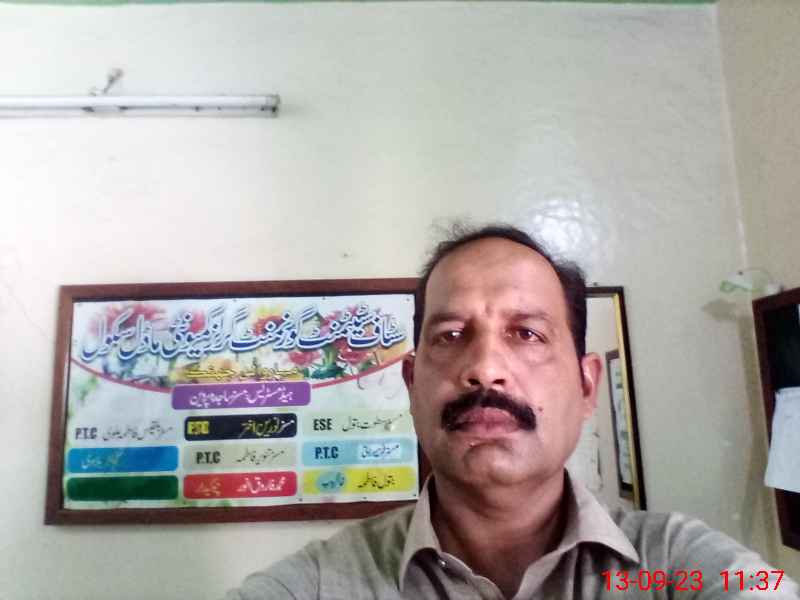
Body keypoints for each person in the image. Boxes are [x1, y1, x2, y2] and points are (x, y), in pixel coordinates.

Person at [225, 224, 799, 599]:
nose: (484, 369)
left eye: (527, 333)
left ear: (586, 385)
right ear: (411, 385)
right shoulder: (319, 584)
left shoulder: (680, 566)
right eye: (451, 335)